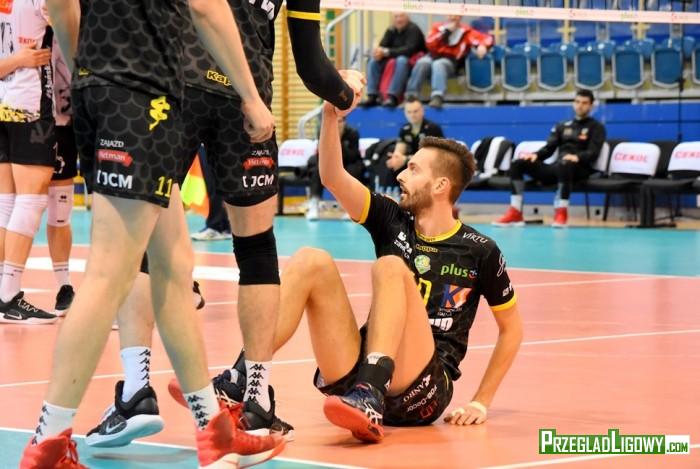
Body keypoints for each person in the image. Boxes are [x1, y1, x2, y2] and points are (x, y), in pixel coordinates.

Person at [83, 0, 365, 449]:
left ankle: (136, 391)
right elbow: (312, 67)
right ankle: (256, 400)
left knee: (140, 243)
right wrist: (346, 94)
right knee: (257, 249)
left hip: (174, 85)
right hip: (246, 96)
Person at [20, 0, 286, 466]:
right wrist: (250, 95)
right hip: (144, 97)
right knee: (109, 275)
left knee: (173, 267)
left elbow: (58, 6)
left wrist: (90, 73)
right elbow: (206, 7)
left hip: (99, 92)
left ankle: (213, 429)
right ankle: (48, 442)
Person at [171, 110, 523, 444]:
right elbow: (332, 177)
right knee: (310, 260)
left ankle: (371, 391)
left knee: (390, 266)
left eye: (414, 169)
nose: (401, 175)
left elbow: (512, 330)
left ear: (440, 185)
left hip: (422, 390)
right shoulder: (392, 219)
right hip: (358, 374)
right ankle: (244, 377)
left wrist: (481, 401)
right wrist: (330, 115)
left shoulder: (480, 249)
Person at [0, 1, 58, 324]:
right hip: (30, 106)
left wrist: (12, 60)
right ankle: (8, 296)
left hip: (3, 102)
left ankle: (2, 291)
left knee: (6, 202)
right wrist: (21, 59)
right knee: (30, 200)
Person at [493, 89, 606, 228]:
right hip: (558, 167)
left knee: (565, 164)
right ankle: (515, 212)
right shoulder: (562, 126)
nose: (580, 106)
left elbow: (593, 152)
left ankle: (561, 212)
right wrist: (536, 155)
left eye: (584, 103)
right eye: (577, 102)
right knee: (518, 163)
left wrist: (577, 157)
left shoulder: (597, 127)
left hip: (580, 169)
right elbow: (549, 148)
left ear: (591, 106)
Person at [48, 36, 77, 315]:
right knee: (17, 206)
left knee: (60, 208)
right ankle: (7, 287)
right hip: (24, 119)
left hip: (67, 121)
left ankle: (64, 285)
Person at [405, 15, 492, 109]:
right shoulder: (437, 28)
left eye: (455, 16)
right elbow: (429, 44)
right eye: (450, 15)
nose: (453, 18)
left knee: (439, 64)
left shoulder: (466, 31)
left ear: (460, 17)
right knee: (422, 62)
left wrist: (482, 46)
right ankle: (411, 95)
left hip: (450, 62)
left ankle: (437, 96)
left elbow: (486, 39)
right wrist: (446, 32)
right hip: (432, 57)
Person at [378, 97, 443, 192]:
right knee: (391, 164)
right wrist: (396, 157)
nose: (412, 115)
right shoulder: (405, 129)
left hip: (431, 164)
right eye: (409, 112)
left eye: (415, 111)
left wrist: (405, 159)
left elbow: (432, 156)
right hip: (411, 163)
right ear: (405, 113)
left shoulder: (433, 128)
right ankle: (391, 194)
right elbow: (399, 149)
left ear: (422, 111)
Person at [361, 12, 425, 108]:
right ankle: (372, 95)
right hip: (393, 60)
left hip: (413, 62)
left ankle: (393, 96)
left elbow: (409, 50)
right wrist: (378, 52)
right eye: (396, 17)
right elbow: (383, 46)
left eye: (401, 16)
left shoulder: (414, 29)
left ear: (408, 18)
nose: (399, 19)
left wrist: (387, 52)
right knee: (373, 60)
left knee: (401, 60)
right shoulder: (391, 30)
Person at [306, 115, 363, 220]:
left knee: (353, 169)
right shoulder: (323, 132)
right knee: (317, 170)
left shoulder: (353, 133)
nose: (337, 124)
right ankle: (314, 204)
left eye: (340, 121)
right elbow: (322, 153)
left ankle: (350, 208)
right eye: (335, 121)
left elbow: (353, 156)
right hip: (330, 162)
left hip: (348, 163)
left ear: (344, 122)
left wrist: (338, 140)